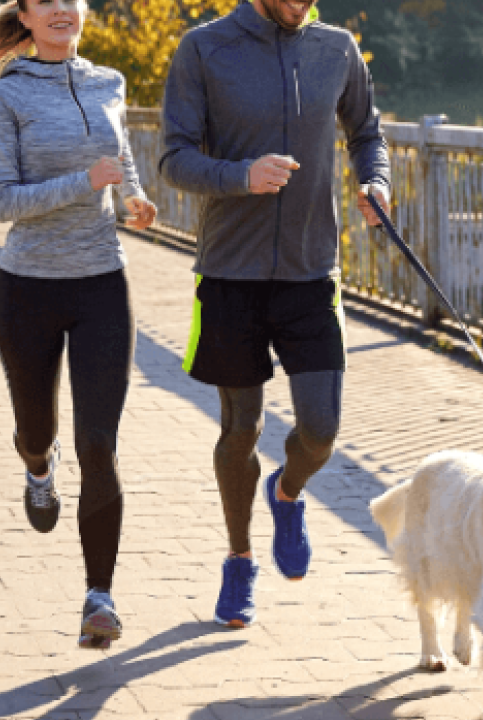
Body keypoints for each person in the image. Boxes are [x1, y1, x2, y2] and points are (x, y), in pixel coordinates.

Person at [158, 0, 391, 628]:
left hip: (312, 272)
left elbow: (367, 133)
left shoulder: (336, 49)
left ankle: (286, 493)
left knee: (320, 429)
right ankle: (240, 561)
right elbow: (172, 156)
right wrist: (241, 175)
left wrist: (376, 183)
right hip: (230, 275)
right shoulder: (204, 49)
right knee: (241, 431)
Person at [0, 0, 158, 649]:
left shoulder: (108, 83)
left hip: (101, 286)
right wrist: (82, 182)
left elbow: (118, 157)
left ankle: (100, 598)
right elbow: (4, 201)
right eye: (48, 3)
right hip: (28, 290)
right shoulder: (8, 96)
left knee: (100, 443)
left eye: (72, 0)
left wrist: (134, 196)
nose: (64, 10)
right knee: (38, 429)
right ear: (27, 18)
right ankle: (38, 467)